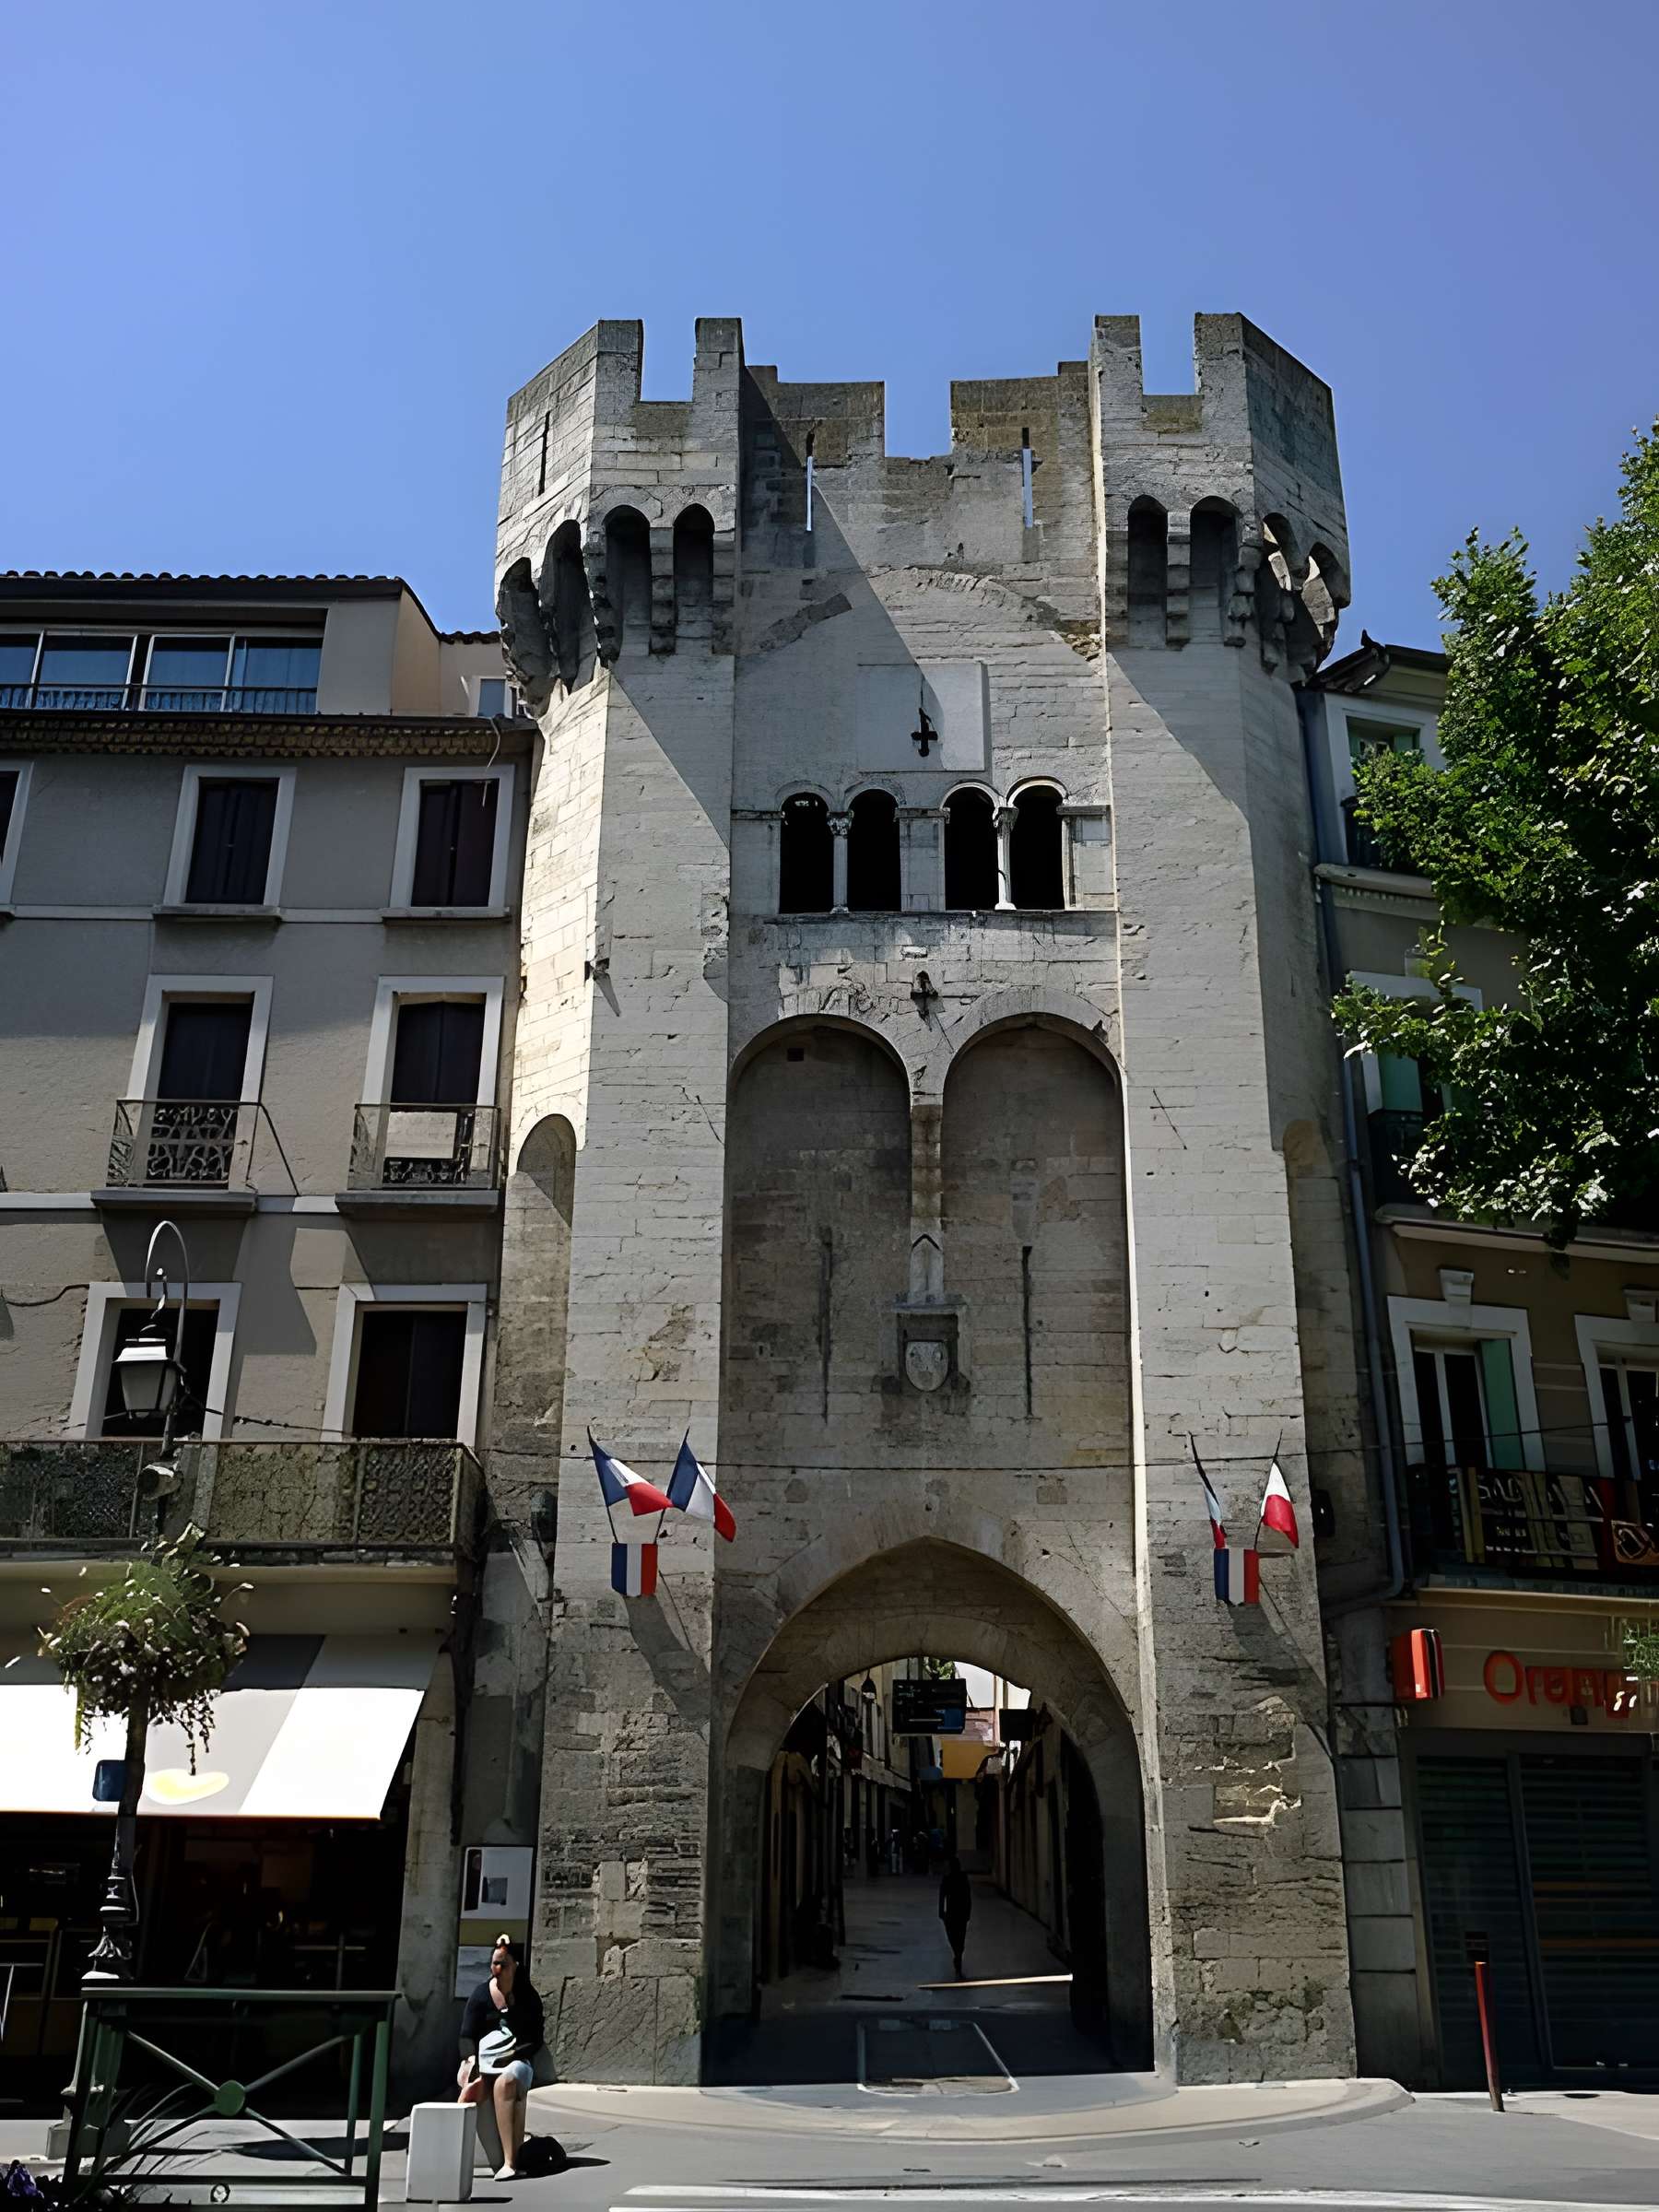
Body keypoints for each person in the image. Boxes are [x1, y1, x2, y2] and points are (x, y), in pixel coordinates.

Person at [457, 1935, 546, 2181]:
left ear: (514, 1966)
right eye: (494, 1963)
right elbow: (466, 2035)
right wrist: (470, 2060)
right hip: (484, 2061)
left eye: (502, 1964)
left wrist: (511, 2056)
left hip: (518, 2061)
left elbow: (535, 2039)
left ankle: (510, 2161)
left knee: (505, 2083)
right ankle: (455, 2155)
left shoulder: (528, 1997)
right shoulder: (480, 1995)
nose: (496, 1969)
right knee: (471, 2091)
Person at [938, 1854, 972, 1978]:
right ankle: (958, 1956)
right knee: (960, 1937)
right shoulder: (962, 1878)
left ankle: (957, 1956)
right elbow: (968, 1896)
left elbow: (942, 1896)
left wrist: (941, 1912)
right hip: (960, 1913)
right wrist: (968, 1912)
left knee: (953, 1936)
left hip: (953, 1913)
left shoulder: (948, 1879)